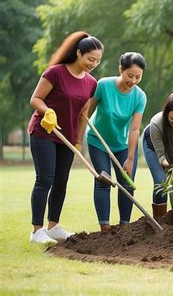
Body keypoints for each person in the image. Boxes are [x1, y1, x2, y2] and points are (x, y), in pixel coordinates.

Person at [28, 32, 103, 244]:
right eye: (90, 59)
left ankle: (53, 227)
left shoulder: (91, 82)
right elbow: (35, 99)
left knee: (61, 181)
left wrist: (79, 140)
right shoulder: (55, 73)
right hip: (44, 132)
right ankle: (36, 231)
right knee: (45, 180)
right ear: (78, 53)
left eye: (98, 60)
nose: (94, 64)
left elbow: (83, 114)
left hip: (67, 136)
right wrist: (47, 111)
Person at [87, 52, 147, 232]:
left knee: (127, 185)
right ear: (121, 69)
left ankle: (124, 228)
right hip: (98, 141)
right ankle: (104, 229)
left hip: (123, 145)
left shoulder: (139, 96)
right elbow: (86, 113)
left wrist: (130, 158)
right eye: (130, 75)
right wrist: (77, 138)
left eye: (138, 77)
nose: (134, 80)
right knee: (103, 181)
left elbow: (135, 129)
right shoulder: (103, 85)